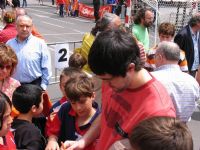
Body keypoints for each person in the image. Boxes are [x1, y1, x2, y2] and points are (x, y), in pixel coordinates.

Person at [62, 29, 176, 150]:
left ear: (130, 68)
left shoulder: (159, 113)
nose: (104, 84)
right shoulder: (112, 77)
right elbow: (106, 116)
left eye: (107, 79)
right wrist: (83, 141)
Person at [45, 75, 100, 150]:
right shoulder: (65, 109)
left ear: (93, 96)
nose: (78, 108)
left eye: (82, 102)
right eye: (73, 103)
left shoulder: (102, 121)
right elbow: (53, 131)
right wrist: (52, 140)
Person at [152, 41, 199, 122]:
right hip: (183, 130)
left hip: (157, 130)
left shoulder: (152, 79)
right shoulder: (192, 82)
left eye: (155, 56)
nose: (154, 59)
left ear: (160, 57)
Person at [6, 15, 52, 91]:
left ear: (32, 27)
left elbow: (46, 67)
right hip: (13, 86)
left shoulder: (40, 43)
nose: (24, 29)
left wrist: (43, 86)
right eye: (21, 26)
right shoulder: (9, 44)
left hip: (34, 86)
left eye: (27, 26)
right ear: (16, 26)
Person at [11, 84, 46, 150]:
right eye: (42, 103)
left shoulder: (11, 123)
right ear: (34, 108)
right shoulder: (32, 133)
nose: (43, 104)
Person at [174, 13, 200, 77]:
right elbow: (176, 53)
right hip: (184, 70)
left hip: (194, 67)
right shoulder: (182, 35)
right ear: (198, 23)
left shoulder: (198, 32)